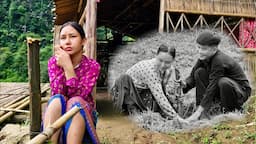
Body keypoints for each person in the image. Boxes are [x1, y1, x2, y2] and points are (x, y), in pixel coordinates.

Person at [43, 21, 101, 144]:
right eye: (63, 38)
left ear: (83, 41)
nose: (67, 41)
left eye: (73, 36)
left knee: (75, 102)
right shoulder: (53, 62)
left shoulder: (92, 66)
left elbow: (79, 95)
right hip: (58, 116)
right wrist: (62, 65)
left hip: (83, 116)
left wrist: (68, 67)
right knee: (57, 99)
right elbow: (57, 92)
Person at [181, 30, 251, 122]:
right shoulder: (204, 57)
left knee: (223, 82)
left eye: (204, 49)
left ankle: (228, 111)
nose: (200, 51)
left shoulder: (219, 60)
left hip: (239, 91)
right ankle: (203, 114)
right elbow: (192, 77)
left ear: (214, 49)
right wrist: (184, 85)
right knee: (199, 72)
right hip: (222, 89)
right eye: (198, 47)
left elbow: (212, 86)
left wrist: (199, 110)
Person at [111, 44, 186, 122]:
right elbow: (160, 97)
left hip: (142, 93)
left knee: (158, 108)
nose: (163, 65)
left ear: (173, 61)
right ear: (156, 56)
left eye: (167, 62)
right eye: (160, 60)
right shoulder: (150, 70)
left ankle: (144, 112)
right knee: (124, 79)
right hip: (128, 93)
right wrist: (176, 118)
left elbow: (163, 90)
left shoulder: (169, 70)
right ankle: (130, 112)